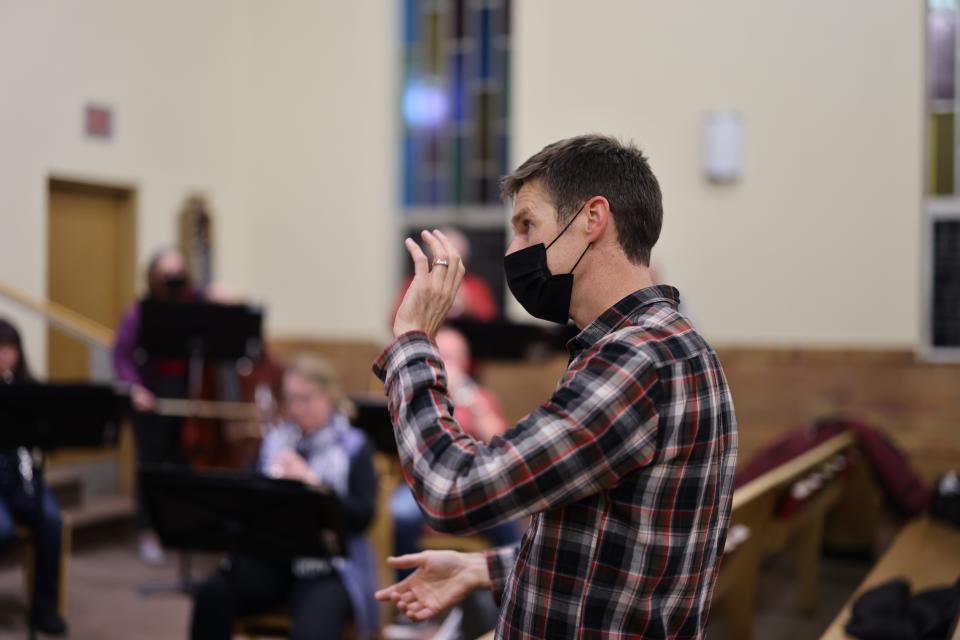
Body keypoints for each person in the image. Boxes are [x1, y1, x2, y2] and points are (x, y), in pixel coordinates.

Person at [373, 134, 738, 638]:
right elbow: (621, 544)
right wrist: (485, 568)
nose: (512, 249)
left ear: (592, 219)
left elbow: (453, 490)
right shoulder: (670, 342)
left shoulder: (635, 360)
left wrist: (413, 341)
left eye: (527, 226)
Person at [190, 354, 379, 640]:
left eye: (306, 398)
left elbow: (362, 516)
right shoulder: (276, 441)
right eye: (291, 399)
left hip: (327, 567)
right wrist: (269, 483)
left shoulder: (354, 446)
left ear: (329, 396)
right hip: (273, 559)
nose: (297, 408)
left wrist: (313, 485)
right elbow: (243, 501)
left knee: (312, 632)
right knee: (212, 595)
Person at [390, 326, 519, 577]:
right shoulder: (422, 395)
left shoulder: (479, 396)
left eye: (452, 357)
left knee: (510, 520)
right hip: (425, 484)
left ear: (465, 362)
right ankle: (405, 594)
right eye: (442, 356)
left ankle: (511, 593)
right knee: (399, 514)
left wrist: (469, 400)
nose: (446, 363)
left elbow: (502, 442)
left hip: (475, 485)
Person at [111, 247, 199, 565]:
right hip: (150, 397)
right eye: (168, 273)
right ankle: (149, 532)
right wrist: (135, 388)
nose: (174, 279)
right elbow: (121, 354)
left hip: (185, 398)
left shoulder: (193, 306)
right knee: (150, 466)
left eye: (179, 271)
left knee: (182, 465)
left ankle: (179, 528)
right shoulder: (139, 312)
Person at [0, 319, 68, 635]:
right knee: (1, 531)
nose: (4, 355)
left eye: (9, 348)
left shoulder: (29, 389)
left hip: (23, 480)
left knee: (51, 522)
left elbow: (49, 437)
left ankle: (44, 608)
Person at [390, 228, 499, 323]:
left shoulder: (476, 285)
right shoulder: (415, 282)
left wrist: (467, 305)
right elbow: (396, 320)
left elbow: (489, 320)